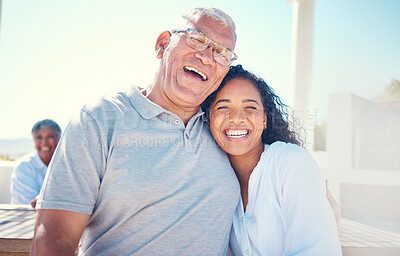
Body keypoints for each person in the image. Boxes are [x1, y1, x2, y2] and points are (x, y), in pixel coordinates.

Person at [31, 8, 241, 256]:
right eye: (197, 39)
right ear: (163, 45)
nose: (207, 57)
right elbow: (55, 240)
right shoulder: (99, 119)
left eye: (222, 53)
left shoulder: (227, 131)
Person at [202, 65, 342, 255]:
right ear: (209, 118)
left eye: (250, 108)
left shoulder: (290, 162)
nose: (236, 118)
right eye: (223, 107)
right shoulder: (211, 182)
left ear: (265, 120)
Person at [10, 119, 61, 206]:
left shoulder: (68, 165)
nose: (44, 143)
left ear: (60, 139)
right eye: (39, 137)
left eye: (50, 137)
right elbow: (28, 206)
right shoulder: (24, 167)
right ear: (34, 140)